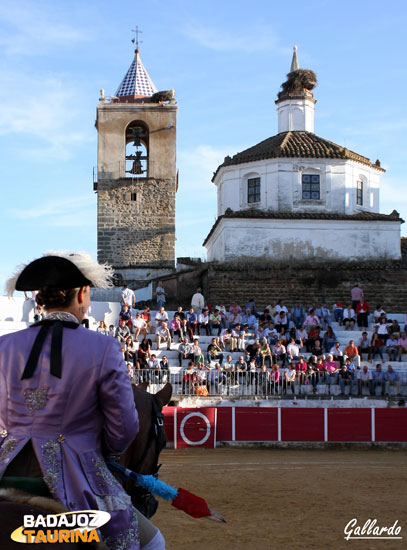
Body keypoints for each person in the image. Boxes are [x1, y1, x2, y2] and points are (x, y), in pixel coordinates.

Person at [1, 252, 164, 549]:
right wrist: (106, 453)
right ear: (82, 293)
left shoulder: (4, 346)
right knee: (153, 543)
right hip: (76, 476)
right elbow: (125, 429)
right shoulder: (103, 346)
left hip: (7, 465)